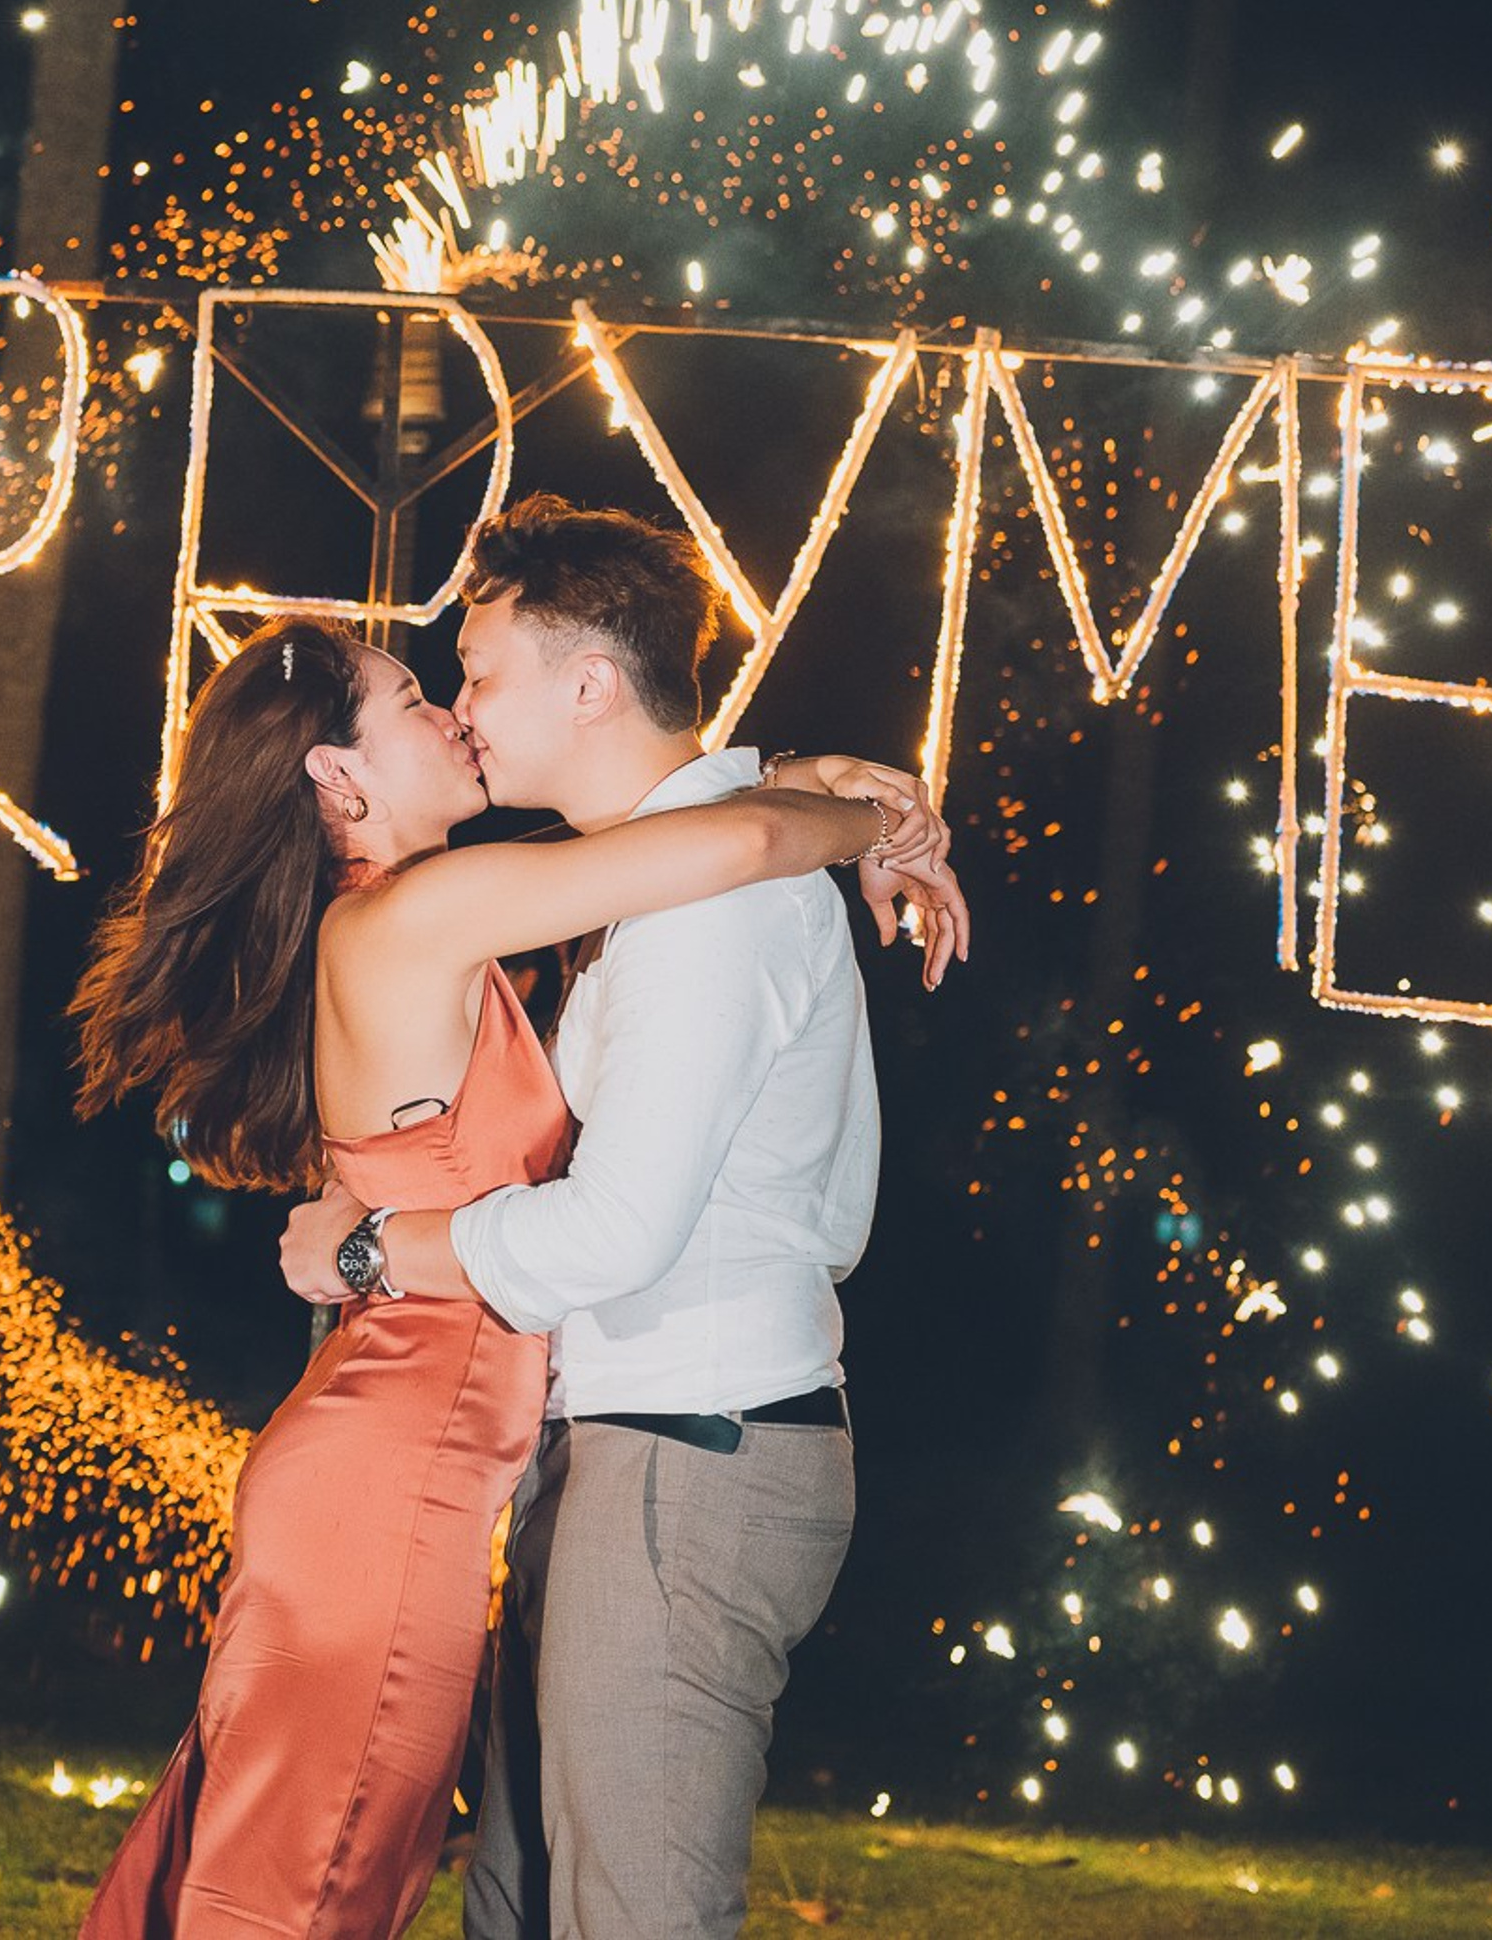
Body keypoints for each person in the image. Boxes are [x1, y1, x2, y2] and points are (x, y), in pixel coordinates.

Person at [73, 607, 956, 1938]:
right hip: (385, 1491)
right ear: (337, 776)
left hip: (402, 1484)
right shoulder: (418, 914)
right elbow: (738, 842)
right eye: (415, 700)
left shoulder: (422, 920)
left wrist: (820, 782)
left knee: (317, 1876)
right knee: (305, 1887)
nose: (454, 715)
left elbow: (675, 838)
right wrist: (871, 821)